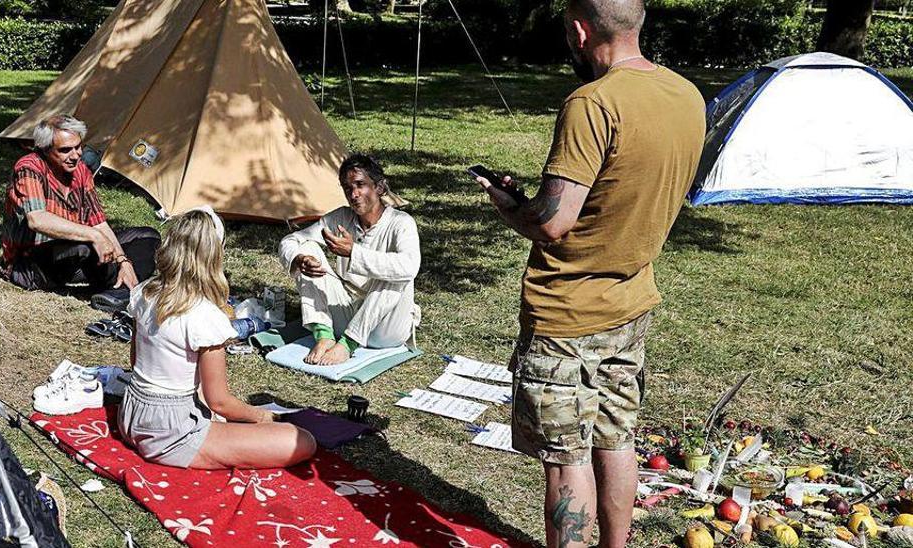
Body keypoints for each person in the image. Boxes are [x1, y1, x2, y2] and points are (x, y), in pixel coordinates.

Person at [474, 1, 704, 546]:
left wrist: (508, 204)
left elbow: (552, 222)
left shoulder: (592, 103)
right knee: (616, 439)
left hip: (567, 314)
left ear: (580, 30)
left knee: (565, 459)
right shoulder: (685, 94)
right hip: (631, 301)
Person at [119, 208, 316, 469]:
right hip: (173, 431)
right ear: (213, 256)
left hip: (132, 412)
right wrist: (262, 416)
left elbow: (136, 361)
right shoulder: (205, 315)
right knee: (301, 440)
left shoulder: (144, 292)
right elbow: (219, 401)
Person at [0, 115, 159, 312]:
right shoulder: (29, 167)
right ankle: (123, 289)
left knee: (147, 235)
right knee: (86, 245)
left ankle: (122, 291)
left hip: (73, 254)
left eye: (78, 147)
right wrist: (93, 235)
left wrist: (123, 260)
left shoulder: (81, 171)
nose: (75, 155)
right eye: (65, 150)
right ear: (44, 150)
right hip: (30, 264)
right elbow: (37, 219)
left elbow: (99, 223)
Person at [278, 154, 420, 366]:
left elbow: (409, 267)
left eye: (360, 185)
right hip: (347, 315)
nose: (353, 194)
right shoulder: (340, 218)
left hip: (386, 329)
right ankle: (324, 335)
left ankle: (348, 344)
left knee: (398, 273)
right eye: (347, 188)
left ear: (380, 188)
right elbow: (291, 240)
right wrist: (299, 259)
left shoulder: (401, 223)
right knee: (306, 248)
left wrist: (354, 252)